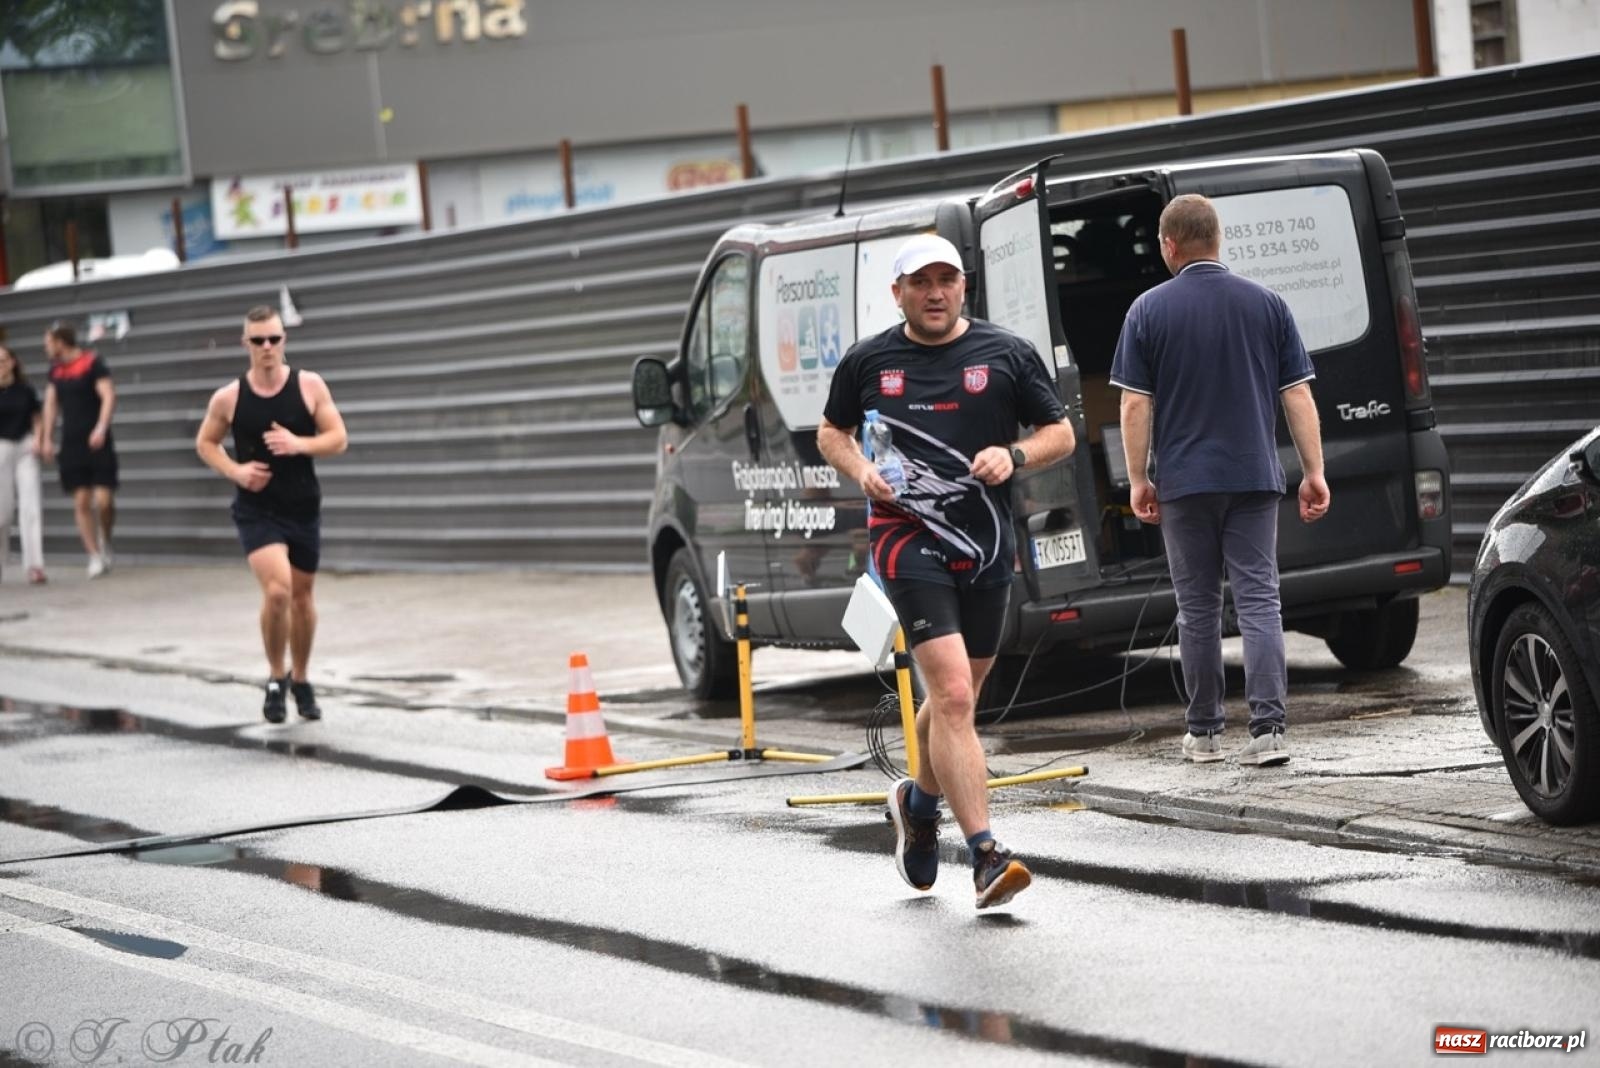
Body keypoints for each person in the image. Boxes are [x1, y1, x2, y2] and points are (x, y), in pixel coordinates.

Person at [818, 233, 1075, 909]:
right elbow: (830, 432)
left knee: (958, 697)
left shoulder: (1005, 353)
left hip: (987, 547)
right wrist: (862, 471)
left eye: (947, 280)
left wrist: (1014, 456)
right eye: (921, 282)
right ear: (897, 292)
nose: (936, 293)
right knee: (956, 696)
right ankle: (987, 854)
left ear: (964, 287)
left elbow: (1062, 434)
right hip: (907, 542)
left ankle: (919, 801)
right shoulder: (870, 360)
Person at [1109, 194, 1330, 768]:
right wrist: (1313, 472)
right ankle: (1269, 731)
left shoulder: (1146, 311)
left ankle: (1205, 732)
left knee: (1199, 608)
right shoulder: (1267, 304)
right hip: (1254, 477)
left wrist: (1137, 479)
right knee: (1260, 599)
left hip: (1183, 484)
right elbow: (1298, 393)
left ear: (1169, 245)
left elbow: (1135, 405)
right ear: (1218, 239)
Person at [195, 306, 348, 723]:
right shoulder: (229, 397)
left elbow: (338, 439)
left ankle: (301, 679)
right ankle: (276, 678)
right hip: (257, 510)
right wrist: (235, 471)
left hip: (302, 506)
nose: (267, 347)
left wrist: (300, 444)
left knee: (302, 599)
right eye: (258, 340)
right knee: (278, 591)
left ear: (284, 340)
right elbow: (206, 443)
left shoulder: (309, 385)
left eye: (274, 339)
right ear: (246, 343)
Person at [39, 322, 118, 578]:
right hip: (72, 443)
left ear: (61, 342)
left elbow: (108, 395)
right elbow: (51, 406)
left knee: (104, 502)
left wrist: (101, 427)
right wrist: (47, 438)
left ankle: (105, 540)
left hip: (97, 440)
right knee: (82, 500)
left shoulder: (92, 363)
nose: (46, 347)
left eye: (49, 342)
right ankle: (93, 555)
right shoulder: (56, 372)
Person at [0, 344, 47, 585]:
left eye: (6, 360)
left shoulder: (25, 390)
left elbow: (37, 418)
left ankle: (35, 565)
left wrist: (39, 440)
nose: (3, 365)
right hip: (1, 449)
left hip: (25, 447)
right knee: (2, 512)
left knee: (31, 505)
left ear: (13, 363)